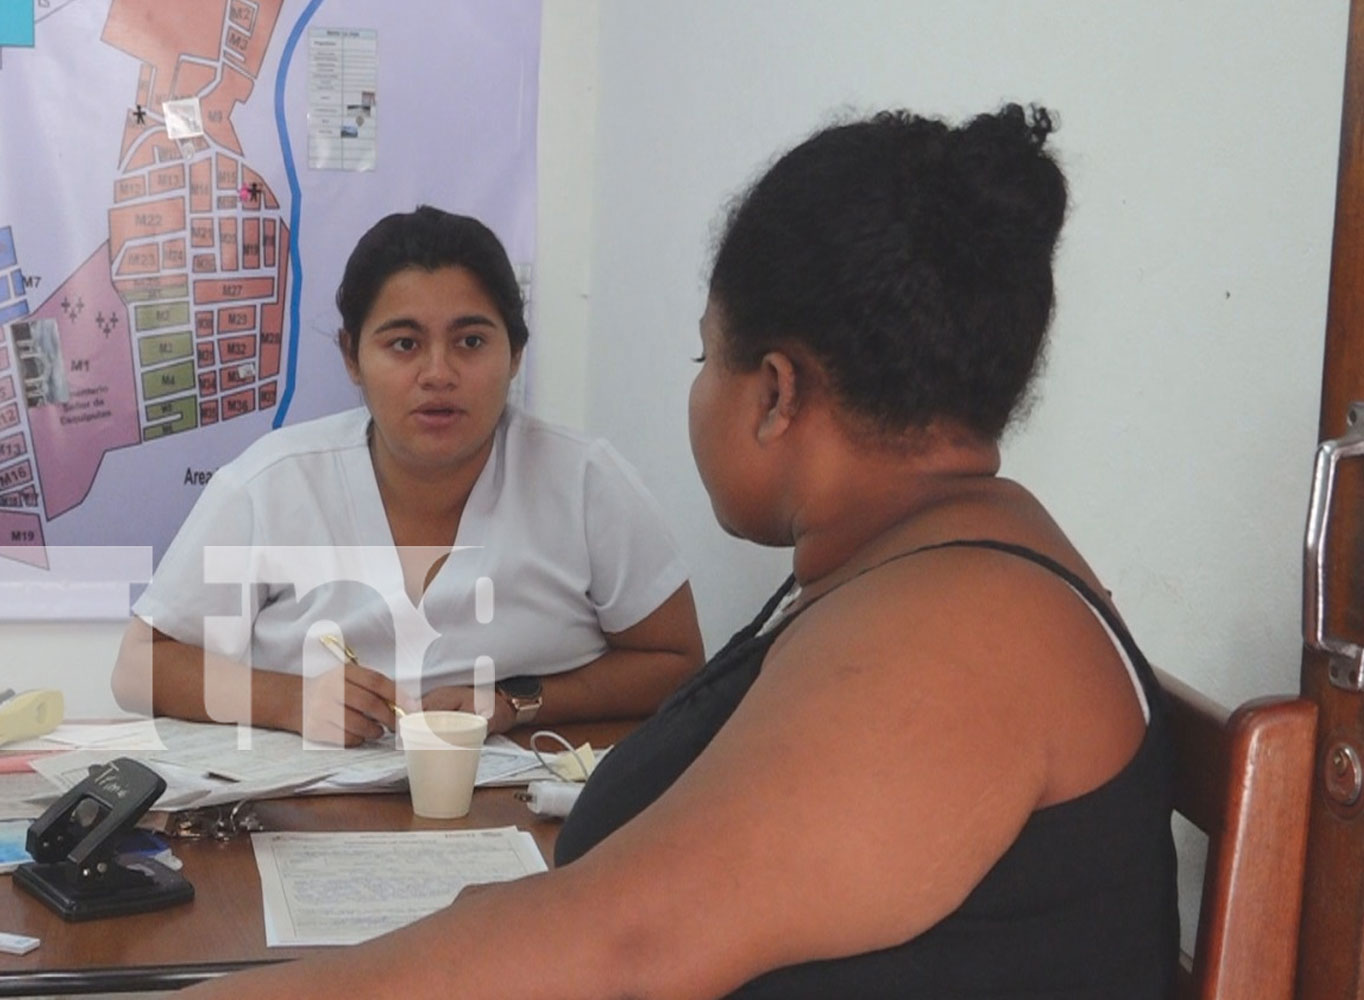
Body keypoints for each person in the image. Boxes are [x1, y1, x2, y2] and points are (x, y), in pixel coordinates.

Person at [183, 105, 1178, 997]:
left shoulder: (966, 630)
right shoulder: (908, 570)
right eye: (401, 345)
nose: (437, 374)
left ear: (777, 391)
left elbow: (625, 946)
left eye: (709, 356)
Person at [113, 206, 704, 744]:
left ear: (516, 354)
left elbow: (676, 663)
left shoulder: (584, 483)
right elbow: (140, 668)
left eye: (471, 341)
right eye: (404, 344)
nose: (438, 373)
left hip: (520, 809)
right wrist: (293, 701)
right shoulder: (273, 483)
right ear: (352, 357)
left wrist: (516, 701)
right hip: (309, 817)